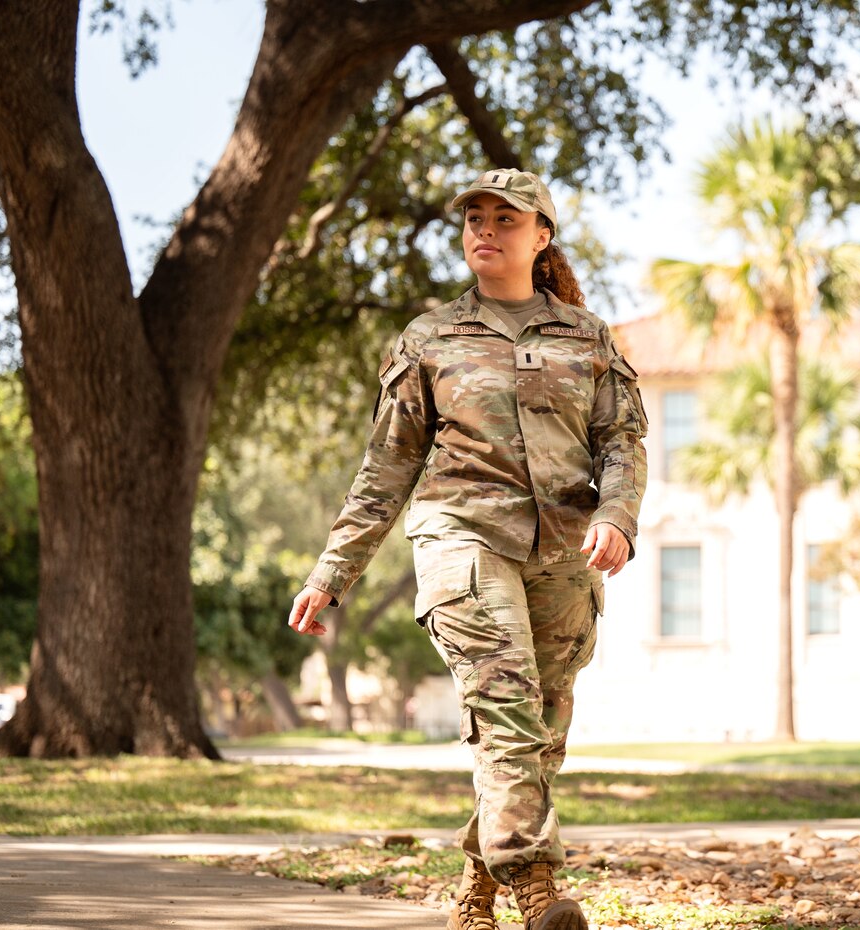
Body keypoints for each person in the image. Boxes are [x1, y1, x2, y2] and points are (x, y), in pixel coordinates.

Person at [288, 168, 648, 930]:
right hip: (460, 539)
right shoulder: (429, 338)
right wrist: (333, 570)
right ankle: (536, 892)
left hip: (562, 553)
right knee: (509, 709)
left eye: (506, 219)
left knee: (536, 733)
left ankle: (474, 894)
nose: (485, 228)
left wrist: (617, 514)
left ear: (541, 236)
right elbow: (386, 467)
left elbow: (621, 441)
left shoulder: (586, 337)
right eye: (475, 217)